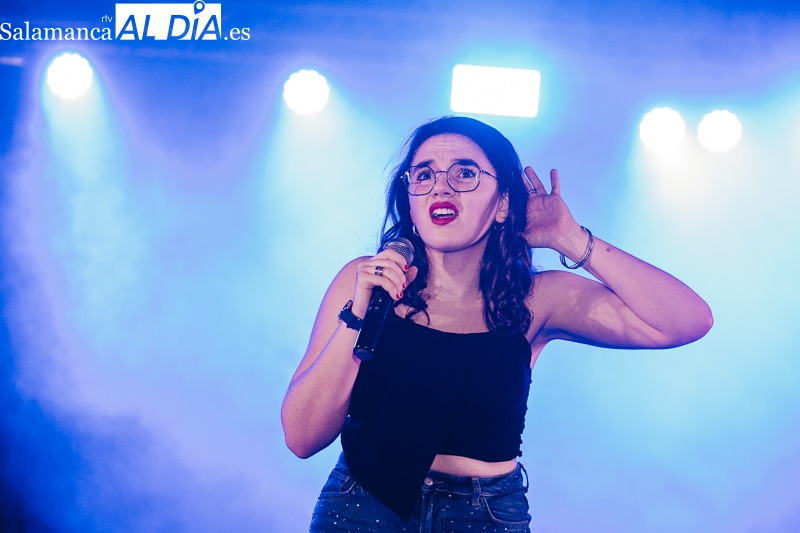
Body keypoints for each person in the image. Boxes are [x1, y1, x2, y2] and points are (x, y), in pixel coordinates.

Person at [281, 116, 712, 532]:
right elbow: (301, 438)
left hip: (484, 515)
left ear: (503, 203)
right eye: (424, 175)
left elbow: (686, 321)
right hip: (361, 508)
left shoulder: (537, 298)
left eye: (465, 173)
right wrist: (358, 313)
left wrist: (569, 237)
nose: (441, 187)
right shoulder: (365, 282)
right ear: (409, 199)